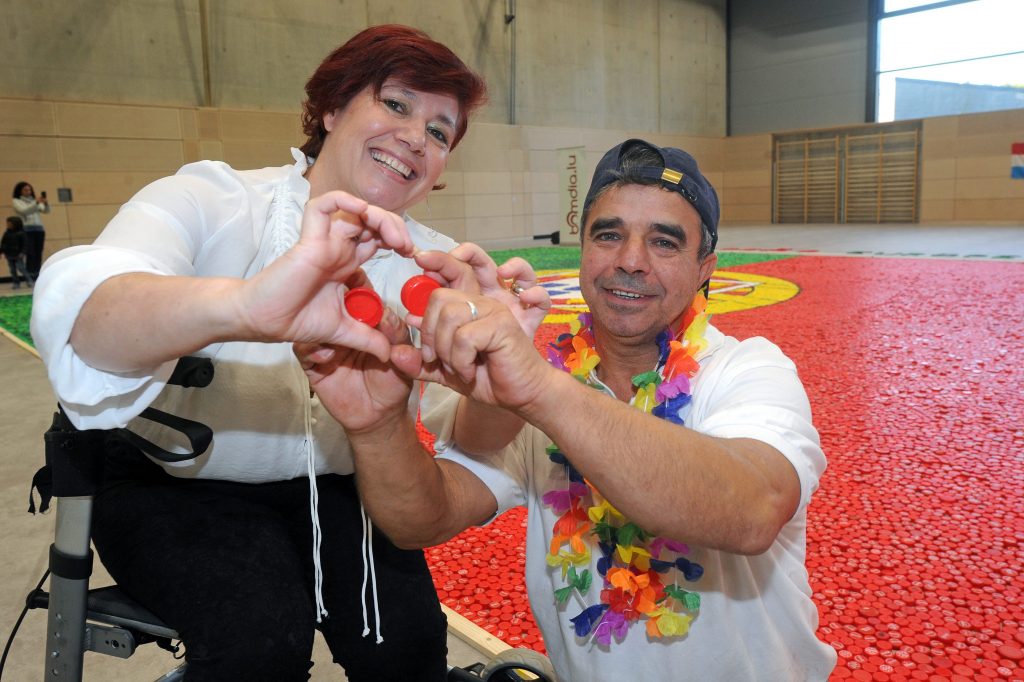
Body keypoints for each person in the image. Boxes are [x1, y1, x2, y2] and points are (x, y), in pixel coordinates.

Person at [30, 25, 486, 681]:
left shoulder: (436, 267)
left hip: (339, 486)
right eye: (396, 104)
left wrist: (499, 359)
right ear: (329, 108)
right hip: (175, 483)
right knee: (260, 642)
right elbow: (88, 307)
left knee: (409, 647)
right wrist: (245, 305)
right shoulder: (216, 198)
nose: (418, 136)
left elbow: (470, 437)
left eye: (441, 131)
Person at [298, 139, 838, 681]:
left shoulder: (747, 370)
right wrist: (375, 424)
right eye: (609, 235)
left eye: (665, 242)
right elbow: (419, 518)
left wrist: (537, 389)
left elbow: (753, 510)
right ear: (583, 250)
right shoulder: (547, 387)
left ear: (705, 269)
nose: (630, 261)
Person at [12, 181, 49, 278]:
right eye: (25, 190)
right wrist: (36, 203)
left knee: (38, 251)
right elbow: (24, 211)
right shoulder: (17, 201)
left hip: (39, 229)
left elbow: (45, 210)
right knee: (30, 252)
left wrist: (45, 203)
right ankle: (30, 274)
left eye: (29, 189)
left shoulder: (34, 200)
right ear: (20, 191)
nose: (28, 191)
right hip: (27, 229)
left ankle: (37, 273)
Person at [2, 216, 34, 289]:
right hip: (9, 254)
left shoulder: (21, 233)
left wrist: (22, 252)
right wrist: (2, 251)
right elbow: (3, 243)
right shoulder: (6, 233)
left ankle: (29, 280)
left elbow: (25, 244)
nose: (8, 225)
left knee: (21, 268)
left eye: (9, 224)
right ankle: (16, 283)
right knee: (12, 270)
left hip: (18, 254)